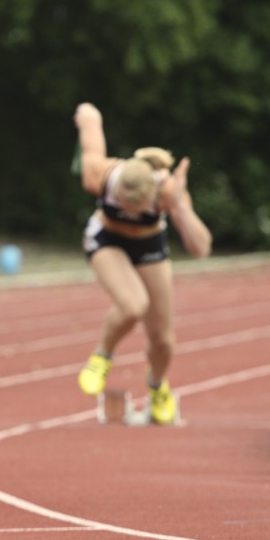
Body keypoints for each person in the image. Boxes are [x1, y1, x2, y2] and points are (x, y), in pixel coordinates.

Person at [72, 102, 212, 425]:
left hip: (149, 246)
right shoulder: (99, 176)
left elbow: (201, 248)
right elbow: (91, 135)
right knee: (133, 304)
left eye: (138, 207)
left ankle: (157, 387)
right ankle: (102, 355)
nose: (132, 212)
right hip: (107, 240)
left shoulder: (166, 191)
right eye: (124, 204)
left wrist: (180, 205)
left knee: (163, 339)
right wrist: (90, 115)